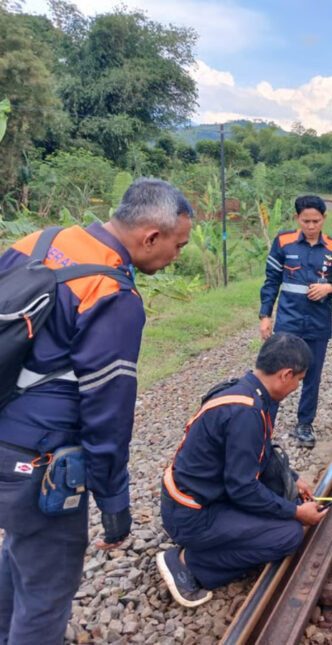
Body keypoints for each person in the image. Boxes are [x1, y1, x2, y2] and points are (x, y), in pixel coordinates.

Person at [0, 178, 193, 643]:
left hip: (6, 439)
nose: (177, 256)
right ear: (151, 236)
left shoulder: (38, 241)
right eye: (177, 245)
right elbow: (108, 414)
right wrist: (113, 503)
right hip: (40, 459)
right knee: (46, 593)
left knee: (20, 552)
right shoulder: (112, 293)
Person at [157, 332, 329, 607]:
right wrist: (295, 512)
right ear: (285, 374)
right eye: (298, 380)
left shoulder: (245, 391)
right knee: (288, 534)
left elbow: (256, 455)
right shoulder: (246, 413)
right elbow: (243, 488)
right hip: (193, 515)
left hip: (200, 498)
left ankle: (204, 548)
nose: (297, 387)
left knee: (286, 501)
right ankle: (188, 563)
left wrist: (293, 479)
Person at [259, 195, 332, 449]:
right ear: (297, 219)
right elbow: (271, 282)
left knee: (312, 376)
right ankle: (265, 425)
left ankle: (304, 424)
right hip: (287, 324)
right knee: (276, 374)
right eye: (306, 221)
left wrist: (329, 288)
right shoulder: (283, 242)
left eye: (316, 221)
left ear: (324, 219)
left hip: (317, 325)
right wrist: (265, 316)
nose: (311, 226)